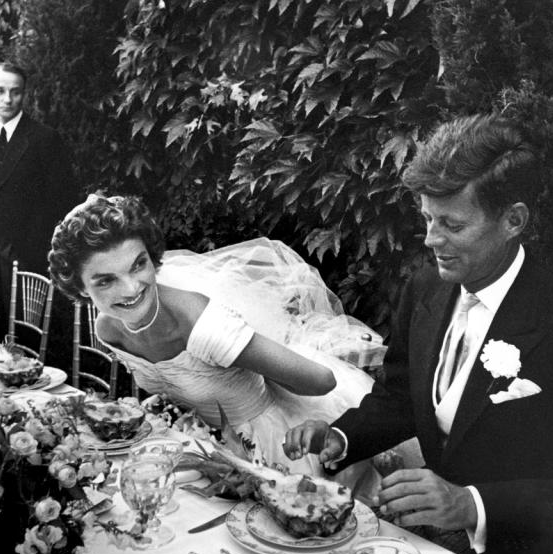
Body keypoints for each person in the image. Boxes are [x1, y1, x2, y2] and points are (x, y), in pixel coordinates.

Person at [283, 114, 553, 554]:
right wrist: (343, 436)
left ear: (513, 220)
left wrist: (470, 505)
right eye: (428, 219)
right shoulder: (427, 287)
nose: (432, 240)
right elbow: (402, 395)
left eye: (452, 224)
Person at [47, 194, 417, 481]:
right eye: (105, 280)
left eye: (138, 265)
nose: (131, 288)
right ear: (79, 288)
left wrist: (243, 354)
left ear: (153, 257)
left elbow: (322, 380)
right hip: (210, 450)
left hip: (274, 450)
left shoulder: (203, 326)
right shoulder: (108, 328)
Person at [0, 62, 78, 341]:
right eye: (0, 90)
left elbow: (62, 200)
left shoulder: (44, 139)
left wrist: (37, 247)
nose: (8, 99)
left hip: (28, 254)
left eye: (15, 92)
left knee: (28, 335)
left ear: (25, 94)